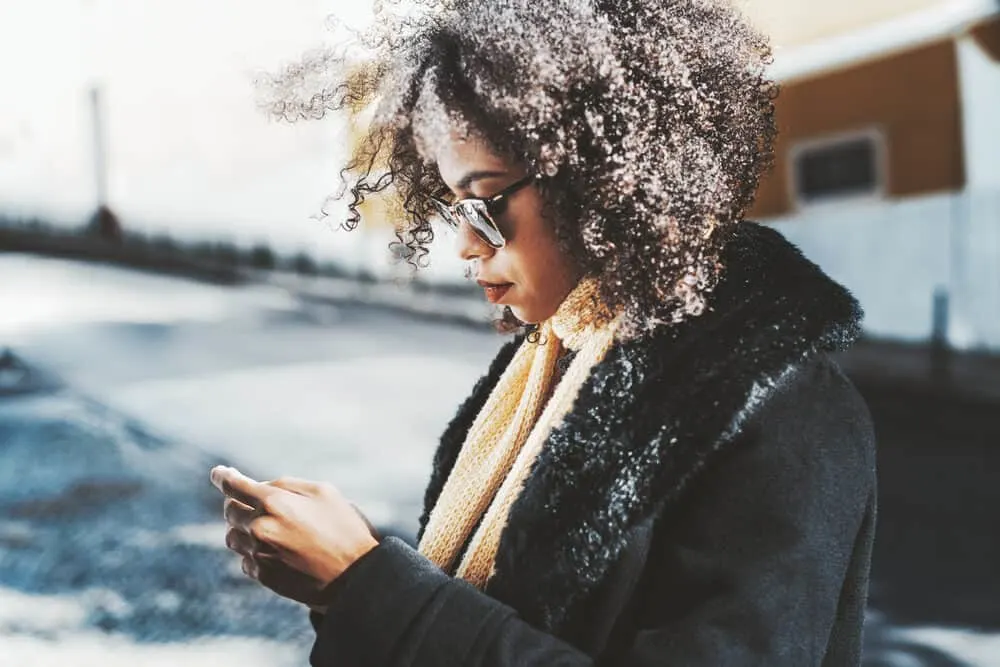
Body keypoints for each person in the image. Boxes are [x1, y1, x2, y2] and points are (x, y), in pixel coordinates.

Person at [210, 0, 878, 664]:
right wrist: (340, 585)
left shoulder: (783, 409)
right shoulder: (542, 368)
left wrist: (368, 583)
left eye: (489, 203)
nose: (467, 244)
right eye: (454, 209)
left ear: (606, 179)